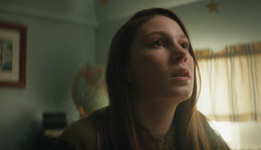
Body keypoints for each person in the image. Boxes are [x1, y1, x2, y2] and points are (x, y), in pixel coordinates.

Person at [50, 8, 230, 150]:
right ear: (125, 68)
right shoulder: (83, 140)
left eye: (184, 44)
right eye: (158, 43)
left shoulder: (205, 137)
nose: (182, 53)